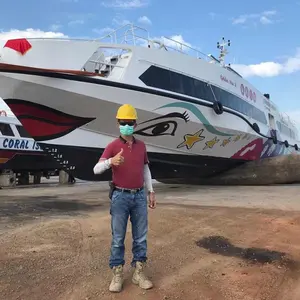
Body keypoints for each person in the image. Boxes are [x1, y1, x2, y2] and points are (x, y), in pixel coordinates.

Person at [93, 103, 156, 293]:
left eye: (129, 122)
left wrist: (150, 191)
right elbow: (96, 169)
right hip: (120, 196)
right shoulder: (112, 146)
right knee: (118, 238)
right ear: (118, 123)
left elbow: (145, 168)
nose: (126, 125)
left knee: (141, 237)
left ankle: (139, 272)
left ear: (135, 124)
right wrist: (111, 162)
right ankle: (117, 273)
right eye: (123, 122)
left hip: (138, 196)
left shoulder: (142, 146)